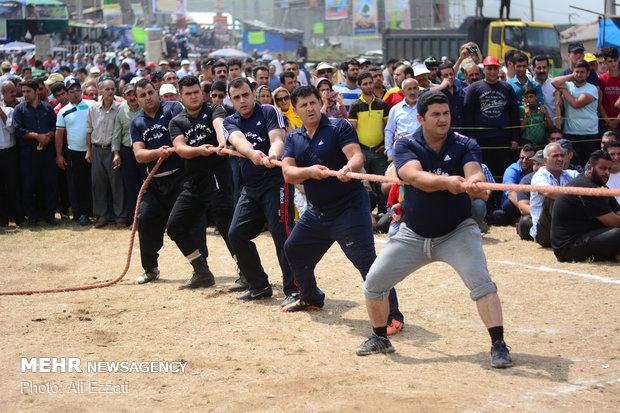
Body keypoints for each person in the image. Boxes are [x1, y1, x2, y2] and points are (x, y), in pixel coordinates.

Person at [355, 91, 512, 369]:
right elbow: (413, 176)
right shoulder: (406, 144)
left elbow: (474, 172)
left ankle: (498, 344)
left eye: (446, 113)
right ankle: (380, 338)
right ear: (420, 118)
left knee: (482, 283)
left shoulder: (465, 144)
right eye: (436, 114)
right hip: (413, 233)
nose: (443, 119)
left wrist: (474, 183)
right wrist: (448, 182)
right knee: (374, 284)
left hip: (457, 230)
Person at [280, 85, 405, 333]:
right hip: (317, 211)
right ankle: (311, 297)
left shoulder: (339, 126)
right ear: (296, 110)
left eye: (313, 102)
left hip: (350, 208)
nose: (310, 108)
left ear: (320, 103)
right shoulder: (294, 138)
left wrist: (350, 168)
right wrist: (310, 173)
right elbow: (288, 172)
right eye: (303, 105)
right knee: (293, 249)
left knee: (366, 262)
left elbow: (356, 155)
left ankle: (393, 316)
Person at [222, 78, 296, 303]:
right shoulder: (229, 121)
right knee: (236, 234)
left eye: (245, 94)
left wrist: (273, 154)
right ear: (231, 100)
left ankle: (295, 289)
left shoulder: (269, 112)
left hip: (276, 183)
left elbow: (277, 139)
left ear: (253, 93)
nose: (242, 100)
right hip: (252, 187)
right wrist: (254, 155)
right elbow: (238, 140)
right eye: (236, 97)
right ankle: (259, 285)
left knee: (282, 235)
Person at [130, 78, 208, 285]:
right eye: (142, 95)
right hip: (155, 182)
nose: (148, 97)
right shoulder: (137, 123)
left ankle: (202, 268)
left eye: (150, 92)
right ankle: (150, 269)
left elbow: (181, 133)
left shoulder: (173, 108)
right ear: (137, 100)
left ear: (156, 92)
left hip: (181, 177)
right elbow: (138, 155)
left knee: (189, 221)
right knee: (145, 220)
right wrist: (157, 152)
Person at [167, 75, 239, 289]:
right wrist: (199, 150)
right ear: (181, 96)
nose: (193, 96)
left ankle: (247, 272)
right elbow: (180, 149)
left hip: (218, 177)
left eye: (196, 92)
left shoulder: (214, 110)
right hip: (194, 182)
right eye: (188, 94)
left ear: (201, 92)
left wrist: (221, 140)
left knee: (227, 228)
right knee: (175, 226)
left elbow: (219, 125)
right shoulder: (177, 121)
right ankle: (202, 273)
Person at [551, 150, 620, 262]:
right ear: (589, 167)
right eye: (602, 168)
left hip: (588, 236)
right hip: (569, 248)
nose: (607, 172)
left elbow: (617, 212)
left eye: (609, 169)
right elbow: (613, 222)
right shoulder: (586, 187)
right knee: (617, 234)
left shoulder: (600, 185)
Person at [463, 56, 520, 181]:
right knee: (484, 172)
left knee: (502, 173)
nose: (492, 72)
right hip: (482, 139)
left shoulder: (507, 87)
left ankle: (500, 199)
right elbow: (468, 113)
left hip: (503, 137)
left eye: (495, 68)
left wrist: (515, 138)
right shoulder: (475, 88)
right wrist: (471, 136)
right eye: (489, 69)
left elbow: (514, 113)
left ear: (499, 69)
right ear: (484, 70)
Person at [13, 79, 57, 226]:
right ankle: (32, 217)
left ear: (36, 91)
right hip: (28, 153)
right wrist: (36, 136)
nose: (25, 94)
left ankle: (49, 215)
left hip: (46, 152)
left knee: (48, 184)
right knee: (29, 185)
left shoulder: (47, 108)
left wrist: (47, 137)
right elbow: (18, 130)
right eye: (23, 91)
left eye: (28, 91)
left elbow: (54, 127)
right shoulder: (20, 109)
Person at [55, 77, 96, 226]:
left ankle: (96, 211)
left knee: (95, 183)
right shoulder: (63, 112)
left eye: (77, 89)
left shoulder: (91, 105)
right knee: (79, 184)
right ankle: (83, 213)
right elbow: (58, 135)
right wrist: (59, 155)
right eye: (71, 90)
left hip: (93, 150)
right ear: (67, 93)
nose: (75, 92)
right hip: (74, 152)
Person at [348, 71, 390, 213]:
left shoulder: (382, 104)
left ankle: (383, 213)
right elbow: (351, 132)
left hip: (379, 150)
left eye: (370, 83)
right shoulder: (355, 106)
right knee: (362, 185)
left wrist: (385, 145)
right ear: (359, 87)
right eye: (365, 84)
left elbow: (387, 127)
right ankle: (364, 214)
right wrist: (358, 152)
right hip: (363, 152)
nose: (368, 86)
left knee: (382, 184)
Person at [86, 78, 126, 227]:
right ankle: (101, 216)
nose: (110, 92)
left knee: (117, 185)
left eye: (112, 89)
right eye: (107, 89)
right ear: (100, 91)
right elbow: (89, 130)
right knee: (98, 184)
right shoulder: (93, 109)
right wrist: (88, 150)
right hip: (96, 149)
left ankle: (120, 217)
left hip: (113, 150)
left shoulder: (120, 108)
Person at [529, 142, 578, 247]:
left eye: (562, 155)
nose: (560, 159)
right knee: (553, 198)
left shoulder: (571, 174)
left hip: (565, 226)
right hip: (543, 233)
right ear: (545, 160)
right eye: (555, 156)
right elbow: (550, 192)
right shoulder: (539, 176)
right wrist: (576, 196)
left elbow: (587, 183)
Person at [552, 59, 599, 166]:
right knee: (573, 167)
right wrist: (571, 76)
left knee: (589, 167)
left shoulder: (592, 89)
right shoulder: (569, 85)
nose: (579, 75)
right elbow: (553, 82)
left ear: (588, 74)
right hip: (571, 135)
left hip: (590, 136)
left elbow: (576, 103)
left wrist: (564, 91)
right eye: (577, 72)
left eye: (582, 72)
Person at [112, 83, 146, 223]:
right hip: (128, 153)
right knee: (131, 188)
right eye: (129, 95)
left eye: (134, 94)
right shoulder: (121, 112)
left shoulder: (145, 110)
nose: (132, 97)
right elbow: (116, 135)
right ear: (124, 96)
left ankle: (148, 218)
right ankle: (135, 219)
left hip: (145, 153)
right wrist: (116, 154)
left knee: (147, 186)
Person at [384, 78, 420, 164]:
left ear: (418, 90)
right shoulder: (395, 109)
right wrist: (389, 153)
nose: (413, 92)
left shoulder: (424, 107)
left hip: (420, 150)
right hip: (401, 151)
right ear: (403, 92)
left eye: (415, 88)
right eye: (409, 89)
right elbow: (389, 131)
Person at [499, 143, 536, 225]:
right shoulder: (511, 170)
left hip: (529, 204)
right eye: (522, 157)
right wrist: (526, 208)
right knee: (508, 204)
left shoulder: (537, 170)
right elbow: (510, 194)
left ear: (534, 160)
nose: (524, 161)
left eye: (528, 158)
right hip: (515, 206)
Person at [516, 150, 544, 240]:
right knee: (525, 222)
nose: (535, 168)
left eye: (539, 164)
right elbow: (522, 207)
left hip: (555, 217)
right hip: (538, 217)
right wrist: (544, 215)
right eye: (534, 164)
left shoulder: (560, 177)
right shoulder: (527, 180)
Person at [598, 47, 620, 133]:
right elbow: (599, 103)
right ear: (605, 61)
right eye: (610, 61)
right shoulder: (601, 79)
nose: (614, 64)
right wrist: (608, 121)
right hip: (605, 122)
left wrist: (616, 121)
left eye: (615, 60)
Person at [531, 55, 557, 124]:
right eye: (539, 68)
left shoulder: (555, 85)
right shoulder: (528, 86)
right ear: (533, 69)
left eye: (544, 67)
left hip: (553, 128)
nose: (542, 70)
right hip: (534, 128)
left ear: (548, 68)